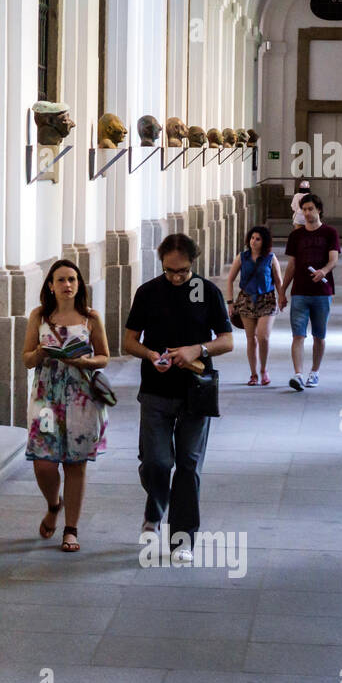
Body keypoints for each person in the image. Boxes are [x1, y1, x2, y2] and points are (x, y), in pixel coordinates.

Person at [123, 234, 234, 562]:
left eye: (182, 271)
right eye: (169, 271)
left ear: (192, 264)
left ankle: (182, 538)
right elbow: (128, 342)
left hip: (195, 392)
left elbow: (227, 341)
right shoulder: (148, 293)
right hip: (156, 391)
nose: (175, 277)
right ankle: (155, 512)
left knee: (188, 465)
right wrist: (149, 354)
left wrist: (196, 349)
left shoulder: (207, 292)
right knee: (157, 462)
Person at [22, 260, 110, 552]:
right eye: (61, 280)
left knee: (76, 464)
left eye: (72, 279)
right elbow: (26, 359)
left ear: (79, 284)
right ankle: (53, 504)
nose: (67, 285)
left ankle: (71, 529)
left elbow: (104, 357)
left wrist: (84, 361)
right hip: (46, 398)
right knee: (43, 463)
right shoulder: (39, 316)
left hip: (81, 396)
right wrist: (40, 351)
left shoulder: (90, 318)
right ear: (50, 285)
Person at [281, 193, 340, 390]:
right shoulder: (296, 236)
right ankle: (298, 374)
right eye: (303, 210)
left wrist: (323, 270)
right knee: (298, 335)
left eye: (310, 209)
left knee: (319, 335)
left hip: (322, 292)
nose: (306, 213)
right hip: (300, 291)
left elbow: (333, 258)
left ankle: (314, 372)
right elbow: (292, 265)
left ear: (319, 209)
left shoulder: (329, 233)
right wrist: (282, 291)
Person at [225, 225, 286, 385]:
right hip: (246, 300)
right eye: (252, 238)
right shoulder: (242, 257)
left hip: (267, 300)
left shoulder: (271, 258)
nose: (254, 241)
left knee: (263, 336)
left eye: (258, 239)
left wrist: (282, 297)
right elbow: (230, 279)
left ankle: (264, 370)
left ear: (264, 241)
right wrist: (230, 302)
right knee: (251, 338)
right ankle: (253, 374)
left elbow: (278, 281)